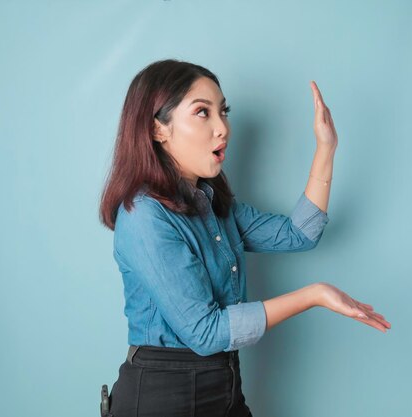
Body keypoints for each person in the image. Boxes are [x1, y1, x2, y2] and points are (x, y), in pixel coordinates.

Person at [98, 59, 391, 417]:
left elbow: (299, 233)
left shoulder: (213, 204)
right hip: (163, 395)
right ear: (158, 129)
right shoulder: (144, 215)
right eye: (202, 113)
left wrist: (326, 148)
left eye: (224, 112)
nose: (223, 129)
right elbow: (205, 333)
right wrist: (313, 295)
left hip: (224, 385)